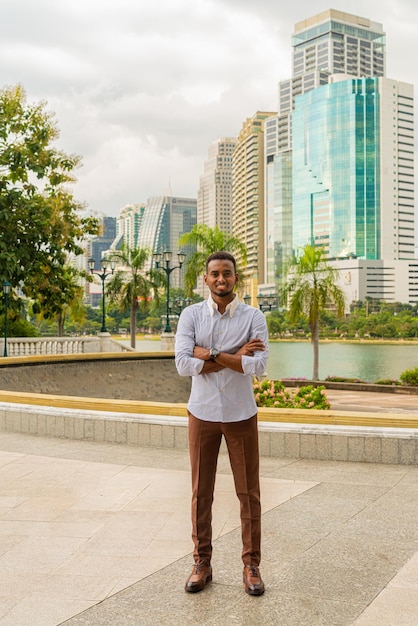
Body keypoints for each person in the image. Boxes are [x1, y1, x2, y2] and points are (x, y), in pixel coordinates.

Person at [175, 251, 269, 596]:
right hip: (201, 413)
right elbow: (184, 364)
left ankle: (251, 565)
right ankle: (202, 563)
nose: (220, 279)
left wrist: (209, 354)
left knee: (249, 494)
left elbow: (258, 366)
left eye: (226, 273)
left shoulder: (253, 317)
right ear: (206, 279)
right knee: (201, 492)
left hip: (241, 414)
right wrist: (233, 355)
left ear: (235, 278)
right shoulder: (191, 316)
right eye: (214, 274)